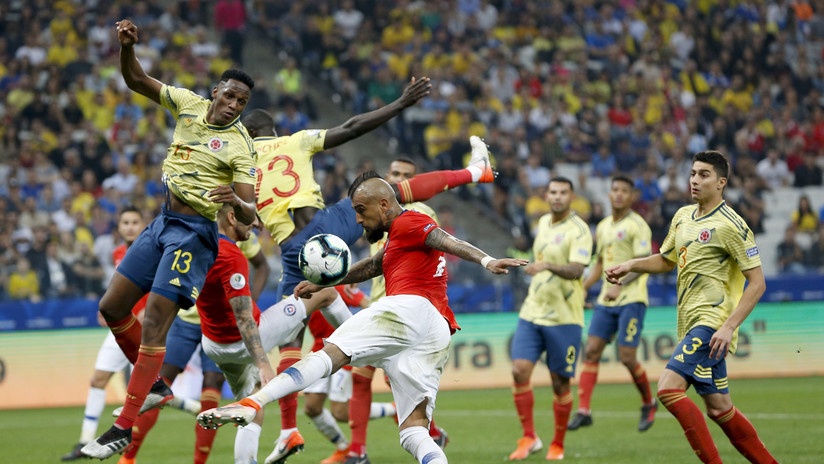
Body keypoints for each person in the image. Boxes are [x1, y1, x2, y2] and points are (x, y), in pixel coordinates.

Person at [197, 172, 528, 464]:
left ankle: (251, 403)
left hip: (408, 310)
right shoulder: (398, 238)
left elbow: (444, 239)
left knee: (330, 354)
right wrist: (323, 282)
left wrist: (486, 261)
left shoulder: (409, 221)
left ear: (384, 205)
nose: (357, 220)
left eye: (361, 211)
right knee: (413, 433)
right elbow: (371, 267)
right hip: (436, 332)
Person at [240, 80, 494, 461]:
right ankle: (476, 173)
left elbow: (240, 212)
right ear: (273, 131)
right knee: (396, 192)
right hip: (322, 229)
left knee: (291, 338)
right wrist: (399, 103)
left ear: (247, 134)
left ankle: (289, 429)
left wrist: (245, 219)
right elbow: (353, 126)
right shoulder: (294, 140)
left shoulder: (239, 162)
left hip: (294, 248)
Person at [81, 19, 258, 459]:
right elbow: (136, 78)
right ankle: (156, 386)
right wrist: (126, 48)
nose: (235, 104)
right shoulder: (187, 104)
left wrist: (236, 201)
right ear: (217, 91)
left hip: (195, 236)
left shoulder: (240, 146)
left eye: (243, 101)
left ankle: (124, 424)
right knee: (111, 307)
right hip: (161, 224)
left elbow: (252, 214)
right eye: (231, 94)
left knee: (156, 324)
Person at [605, 150, 778, 464]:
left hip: (712, 322)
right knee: (719, 408)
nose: (695, 180)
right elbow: (666, 260)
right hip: (690, 322)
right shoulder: (683, 216)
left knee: (669, 390)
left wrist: (728, 327)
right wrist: (631, 264)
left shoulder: (732, 226)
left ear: (721, 182)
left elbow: (758, 283)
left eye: (704, 175)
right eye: (693, 173)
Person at [196, 204, 352, 464]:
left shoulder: (198, 245)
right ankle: (362, 343)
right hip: (243, 341)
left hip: (213, 344)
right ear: (232, 217)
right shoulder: (230, 255)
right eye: (250, 219)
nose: (257, 225)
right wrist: (263, 363)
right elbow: (245, 319)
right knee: (325, 293)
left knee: (250, 404)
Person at [115, 228, 271, 464]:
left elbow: (263, 266)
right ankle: (128, 458)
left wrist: (246, 302)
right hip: (186, 321)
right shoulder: (192, 232)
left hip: (221, 329)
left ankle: (199, 462)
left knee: (211, 386)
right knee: (159, 386)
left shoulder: (239, 234)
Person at [346, 158, 449, 464]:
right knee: (359, 375)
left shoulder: (420, 215)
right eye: (396, 174)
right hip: (379, 303)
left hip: (408, 310)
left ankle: (426, 435)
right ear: (387, 181)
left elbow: (433, 263)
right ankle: (357, 450)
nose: (401, 178)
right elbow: (377, 263)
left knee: (396, 381)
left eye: (407, 175)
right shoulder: (375, 211)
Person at [507, 177, 593, 462]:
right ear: (546, 195)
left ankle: (557, 444)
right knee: (519, 371)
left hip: (564, 317)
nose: (556, 197)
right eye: (552, 192)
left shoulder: (580, 231)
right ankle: (529, 437)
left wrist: (546, 265)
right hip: (533, 310)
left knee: (560, 384)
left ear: (572, 197)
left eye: (562, 193)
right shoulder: (542, 223)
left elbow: (577, 270)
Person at [567, 175, 657, 433]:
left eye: (624, 191)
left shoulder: (638, 226)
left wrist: (620, 285)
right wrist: (582, 287)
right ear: (609, 194)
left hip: (631, 299)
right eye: (614, 190)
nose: (618, 194)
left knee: (627, 357)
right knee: (592, 349)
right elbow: (599, 263)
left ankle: (648, 402)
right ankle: (584, 410)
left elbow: (644, 264)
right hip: (608, 299)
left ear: (632, 196)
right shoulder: (604, 226)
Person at [61, 207, 149, 461]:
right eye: (125, 222)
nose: (130, 226)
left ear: (142, 224)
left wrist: (146, 316)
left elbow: (157, 291)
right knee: (98, 380)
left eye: (135, 221)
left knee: (143, 394)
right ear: (119, 227)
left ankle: (128, 449)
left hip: (146, 330)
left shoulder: (152, 251)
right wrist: (108, 309)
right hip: (121, 326)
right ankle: (84, 441)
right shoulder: (118, 253)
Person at [302, 284, 397, 464]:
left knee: (340, 412)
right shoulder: (305, 287)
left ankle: (393, 409)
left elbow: (366, 303)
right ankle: (343, 448)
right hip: (318, 349)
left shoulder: (338, 286)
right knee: (312, 407)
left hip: (342, 352)